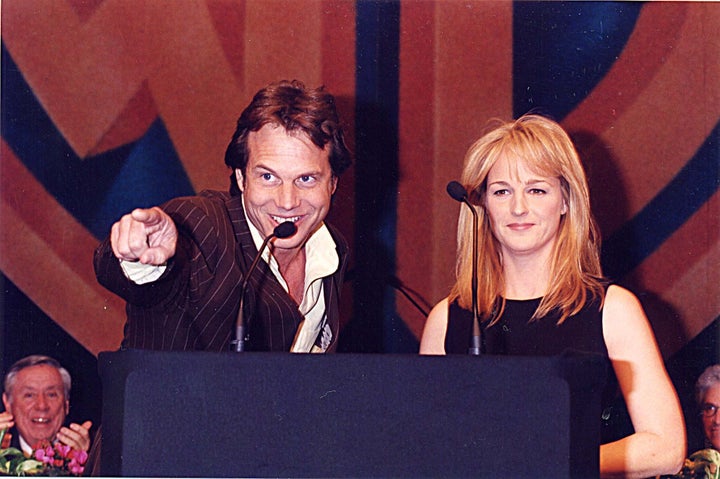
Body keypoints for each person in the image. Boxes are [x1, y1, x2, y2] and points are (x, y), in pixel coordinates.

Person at [420, 114, 686, 478]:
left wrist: (553, 463)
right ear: (481, 204)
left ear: (565, 201)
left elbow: (665, 447)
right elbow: (426, 447)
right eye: (501, 191)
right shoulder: (447, 318)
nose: (518, 208)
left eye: (536, 190)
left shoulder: (613, 309)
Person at [94, 79, 352, 353]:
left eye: (306, 179)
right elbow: (128, 274)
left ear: (333, 183)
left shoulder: (332, 250)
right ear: (241, 178)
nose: (287, 202)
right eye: (268, 177)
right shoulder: (201, 224)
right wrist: (139, 256)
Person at [0, 355, 92, 454]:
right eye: (29, 395)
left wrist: (88, 464)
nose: (42, 406)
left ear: (66, 404)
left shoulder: (95, 454)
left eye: (51, 395)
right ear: (8, 403)